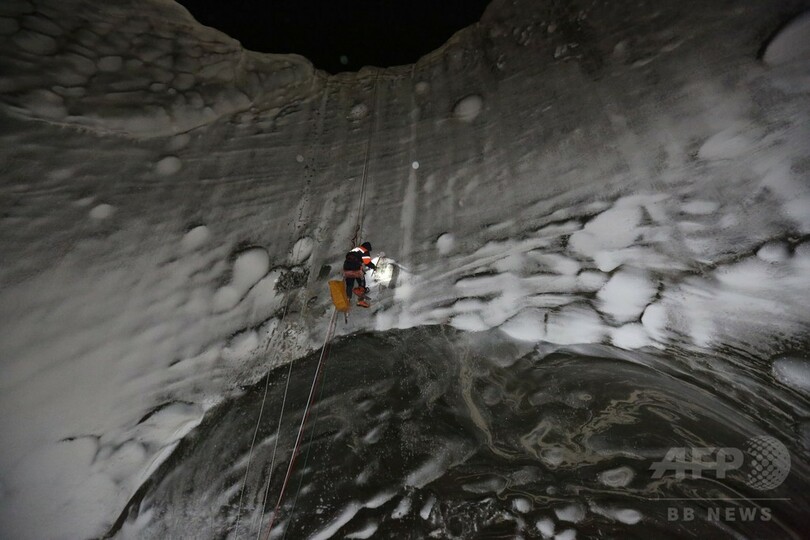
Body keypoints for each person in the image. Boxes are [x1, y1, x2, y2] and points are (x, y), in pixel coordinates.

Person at [343, 241, 377, 308]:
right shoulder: (365, 251)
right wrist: (374, 267)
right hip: (355, 267)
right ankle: (361, 300)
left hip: (346, 268)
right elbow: (367, 263)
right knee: (361, 282)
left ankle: (347, 299)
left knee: (349, 284)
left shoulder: (356, 249)